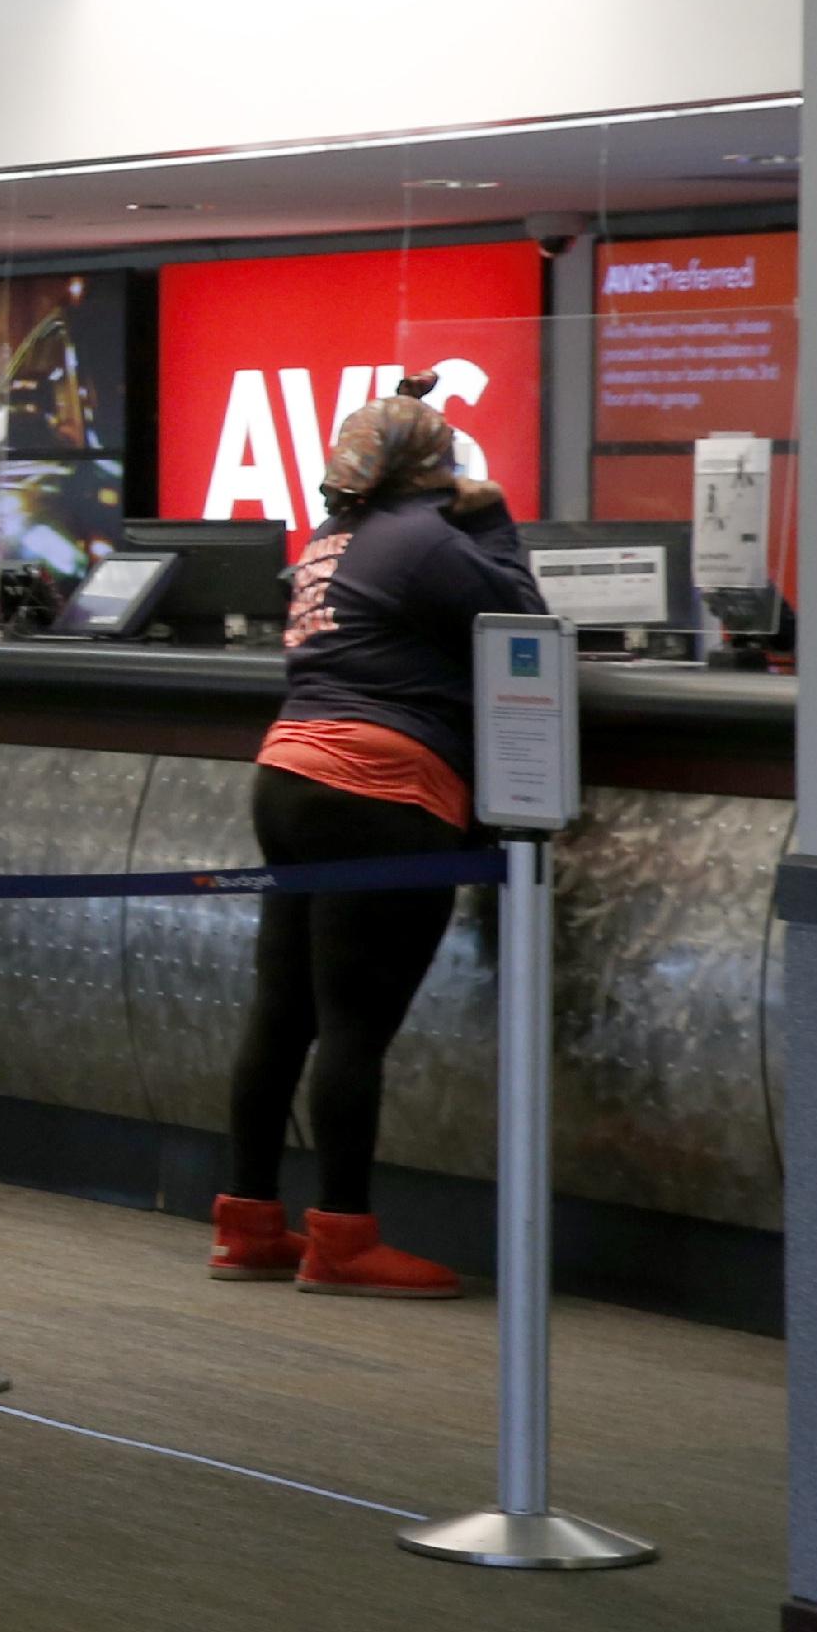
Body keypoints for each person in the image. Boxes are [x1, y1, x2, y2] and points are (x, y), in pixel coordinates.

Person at [210, 376, 538, 1298]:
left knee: (280, 1016)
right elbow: (520, 618)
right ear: (432, 468)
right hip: (379, 790)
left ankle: (247, 1226)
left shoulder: (331, 539)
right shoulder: (423, 541)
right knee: (354, 1028)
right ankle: (343, 1241)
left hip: (287, 776)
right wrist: (495, 515)